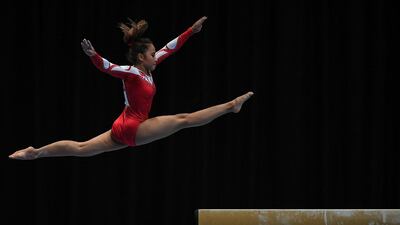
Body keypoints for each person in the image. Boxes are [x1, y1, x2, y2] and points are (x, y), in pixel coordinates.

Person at [9, 16, 254, 160]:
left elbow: (169, 48)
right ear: (140, 58)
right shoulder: (133, 72)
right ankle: (231, 106)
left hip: (123, 126)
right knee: (184, 120)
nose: (156, 57)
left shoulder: (146, 69)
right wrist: (94, 55)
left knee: (82, 148)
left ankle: (36, 153)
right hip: (133, 126)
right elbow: (109, 67)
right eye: (151, 55)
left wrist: (191, 31)